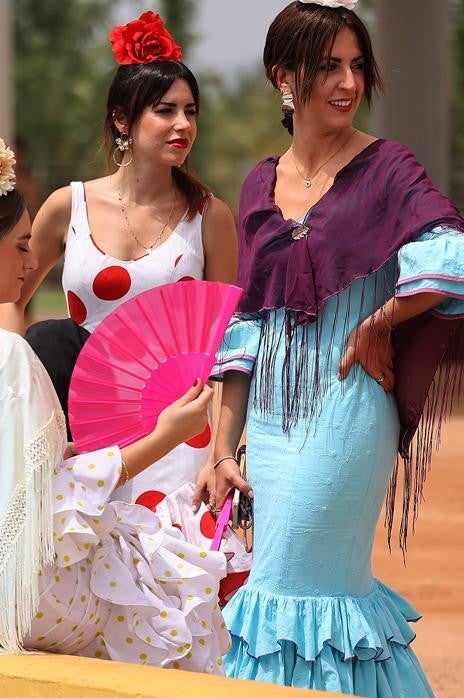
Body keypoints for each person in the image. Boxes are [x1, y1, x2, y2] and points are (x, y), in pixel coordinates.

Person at [0, 130, 229, 693]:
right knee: (172, 585)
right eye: (22, 246)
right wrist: (167, 435)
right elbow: (54, 505)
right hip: (6, 600)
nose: (31, 261)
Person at [198, 2, 464, 694]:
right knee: (286, 588)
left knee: (299, 586)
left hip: (348, 405)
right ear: (283, 77)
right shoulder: (260, 181)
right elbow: (248, 321)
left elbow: (452, 256)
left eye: (356, 66)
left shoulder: (387, 167)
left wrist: (382, 319)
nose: (348, 82)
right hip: (270, 426)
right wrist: (223, 449)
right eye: (328, 67)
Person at [0, 13, 248, 592]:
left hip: (182, 432)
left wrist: (222, 452)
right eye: (166, 110)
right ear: (122, 120)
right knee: (84, 582)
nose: (183, 124)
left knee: (173, 591)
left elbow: (228, 347)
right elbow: (9, 294)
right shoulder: (68, 206)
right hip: (85, 425)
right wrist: (12, 365)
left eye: (191, 111)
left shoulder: (209, 217)